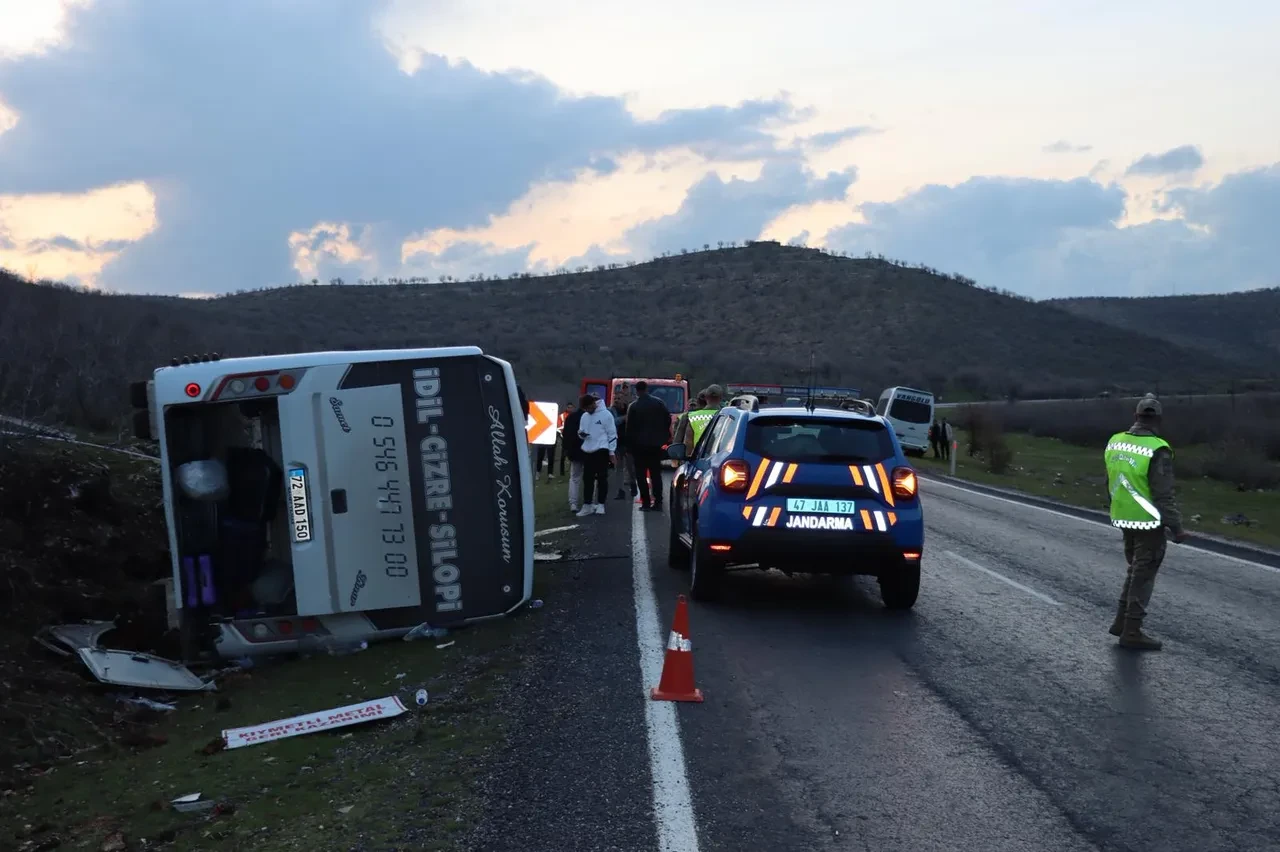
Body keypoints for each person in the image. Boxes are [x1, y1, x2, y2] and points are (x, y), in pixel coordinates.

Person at [1104, 393, 1189, 651]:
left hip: (1123, 516)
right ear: (1159, 419)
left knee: (1135, 570)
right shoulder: (1157, 448)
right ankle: (1132, 630)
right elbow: (1163, 494)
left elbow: (1110, 478)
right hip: (1149, 522)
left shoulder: (1116, 441)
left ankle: (1121, 621)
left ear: (1136, 416)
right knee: (1143, 575)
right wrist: (1176, 527)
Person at [626, 380, 673, 512]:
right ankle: (658, 502)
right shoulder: (659, 403)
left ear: (636, 391)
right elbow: (667, 419)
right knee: (655, 474)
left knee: (640, 475)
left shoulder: (633, 406)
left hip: (639, 445)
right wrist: (664, 437)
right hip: (655, 445)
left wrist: (629, 447)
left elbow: (629, 428)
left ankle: (646, 502)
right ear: (647, 389)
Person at [575, 394, 617, 517]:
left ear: (593, 403)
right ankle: (587, 504)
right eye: (585, 409)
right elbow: (581, 431)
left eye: (589, 408)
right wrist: (581, 434)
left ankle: (601, 504)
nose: (588, 411)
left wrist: (611, 452)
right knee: (587, 478)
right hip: (588, 449)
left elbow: (612, 434)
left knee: (602, 477)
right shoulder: (585, 416)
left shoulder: (606, 415)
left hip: (601, 449)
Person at [683, 384, 723, 455]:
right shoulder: (726, 416)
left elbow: (688, 442)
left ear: (706, 397)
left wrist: (688, 457)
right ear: (720, 398)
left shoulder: (693, 417)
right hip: (720, 457)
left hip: (698, 457)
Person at [561, 401, 586, 514]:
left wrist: (567, 450)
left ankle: (573, 502)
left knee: (575, 478)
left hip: (575, 452)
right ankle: (588, 501)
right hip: (589, 451)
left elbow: (566, 435)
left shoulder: (571, 417)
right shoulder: (590, 417)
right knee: (589, 478)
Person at [611, 395, 637, 501]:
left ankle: (633, 484)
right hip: (617, 443)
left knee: (631, 467)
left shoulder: (630, 409)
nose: (616, 401)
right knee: (618, 468)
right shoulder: (611, 411)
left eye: (618, 399)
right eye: (615, 399)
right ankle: (620, 491)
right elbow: (613, 422)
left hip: (629, 442)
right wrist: (624, 418)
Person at [557, 403, 575, 476]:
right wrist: (563, 434)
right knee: (563, 455)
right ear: (566, 408)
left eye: (571, 407)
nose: (570, 409)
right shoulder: (561, 416)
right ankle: (562, 472)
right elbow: (559, 426)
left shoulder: (574, 416)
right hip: (564, 438)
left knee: (572, 455)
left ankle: (571, 470)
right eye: (568, 407)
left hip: (572, 438)